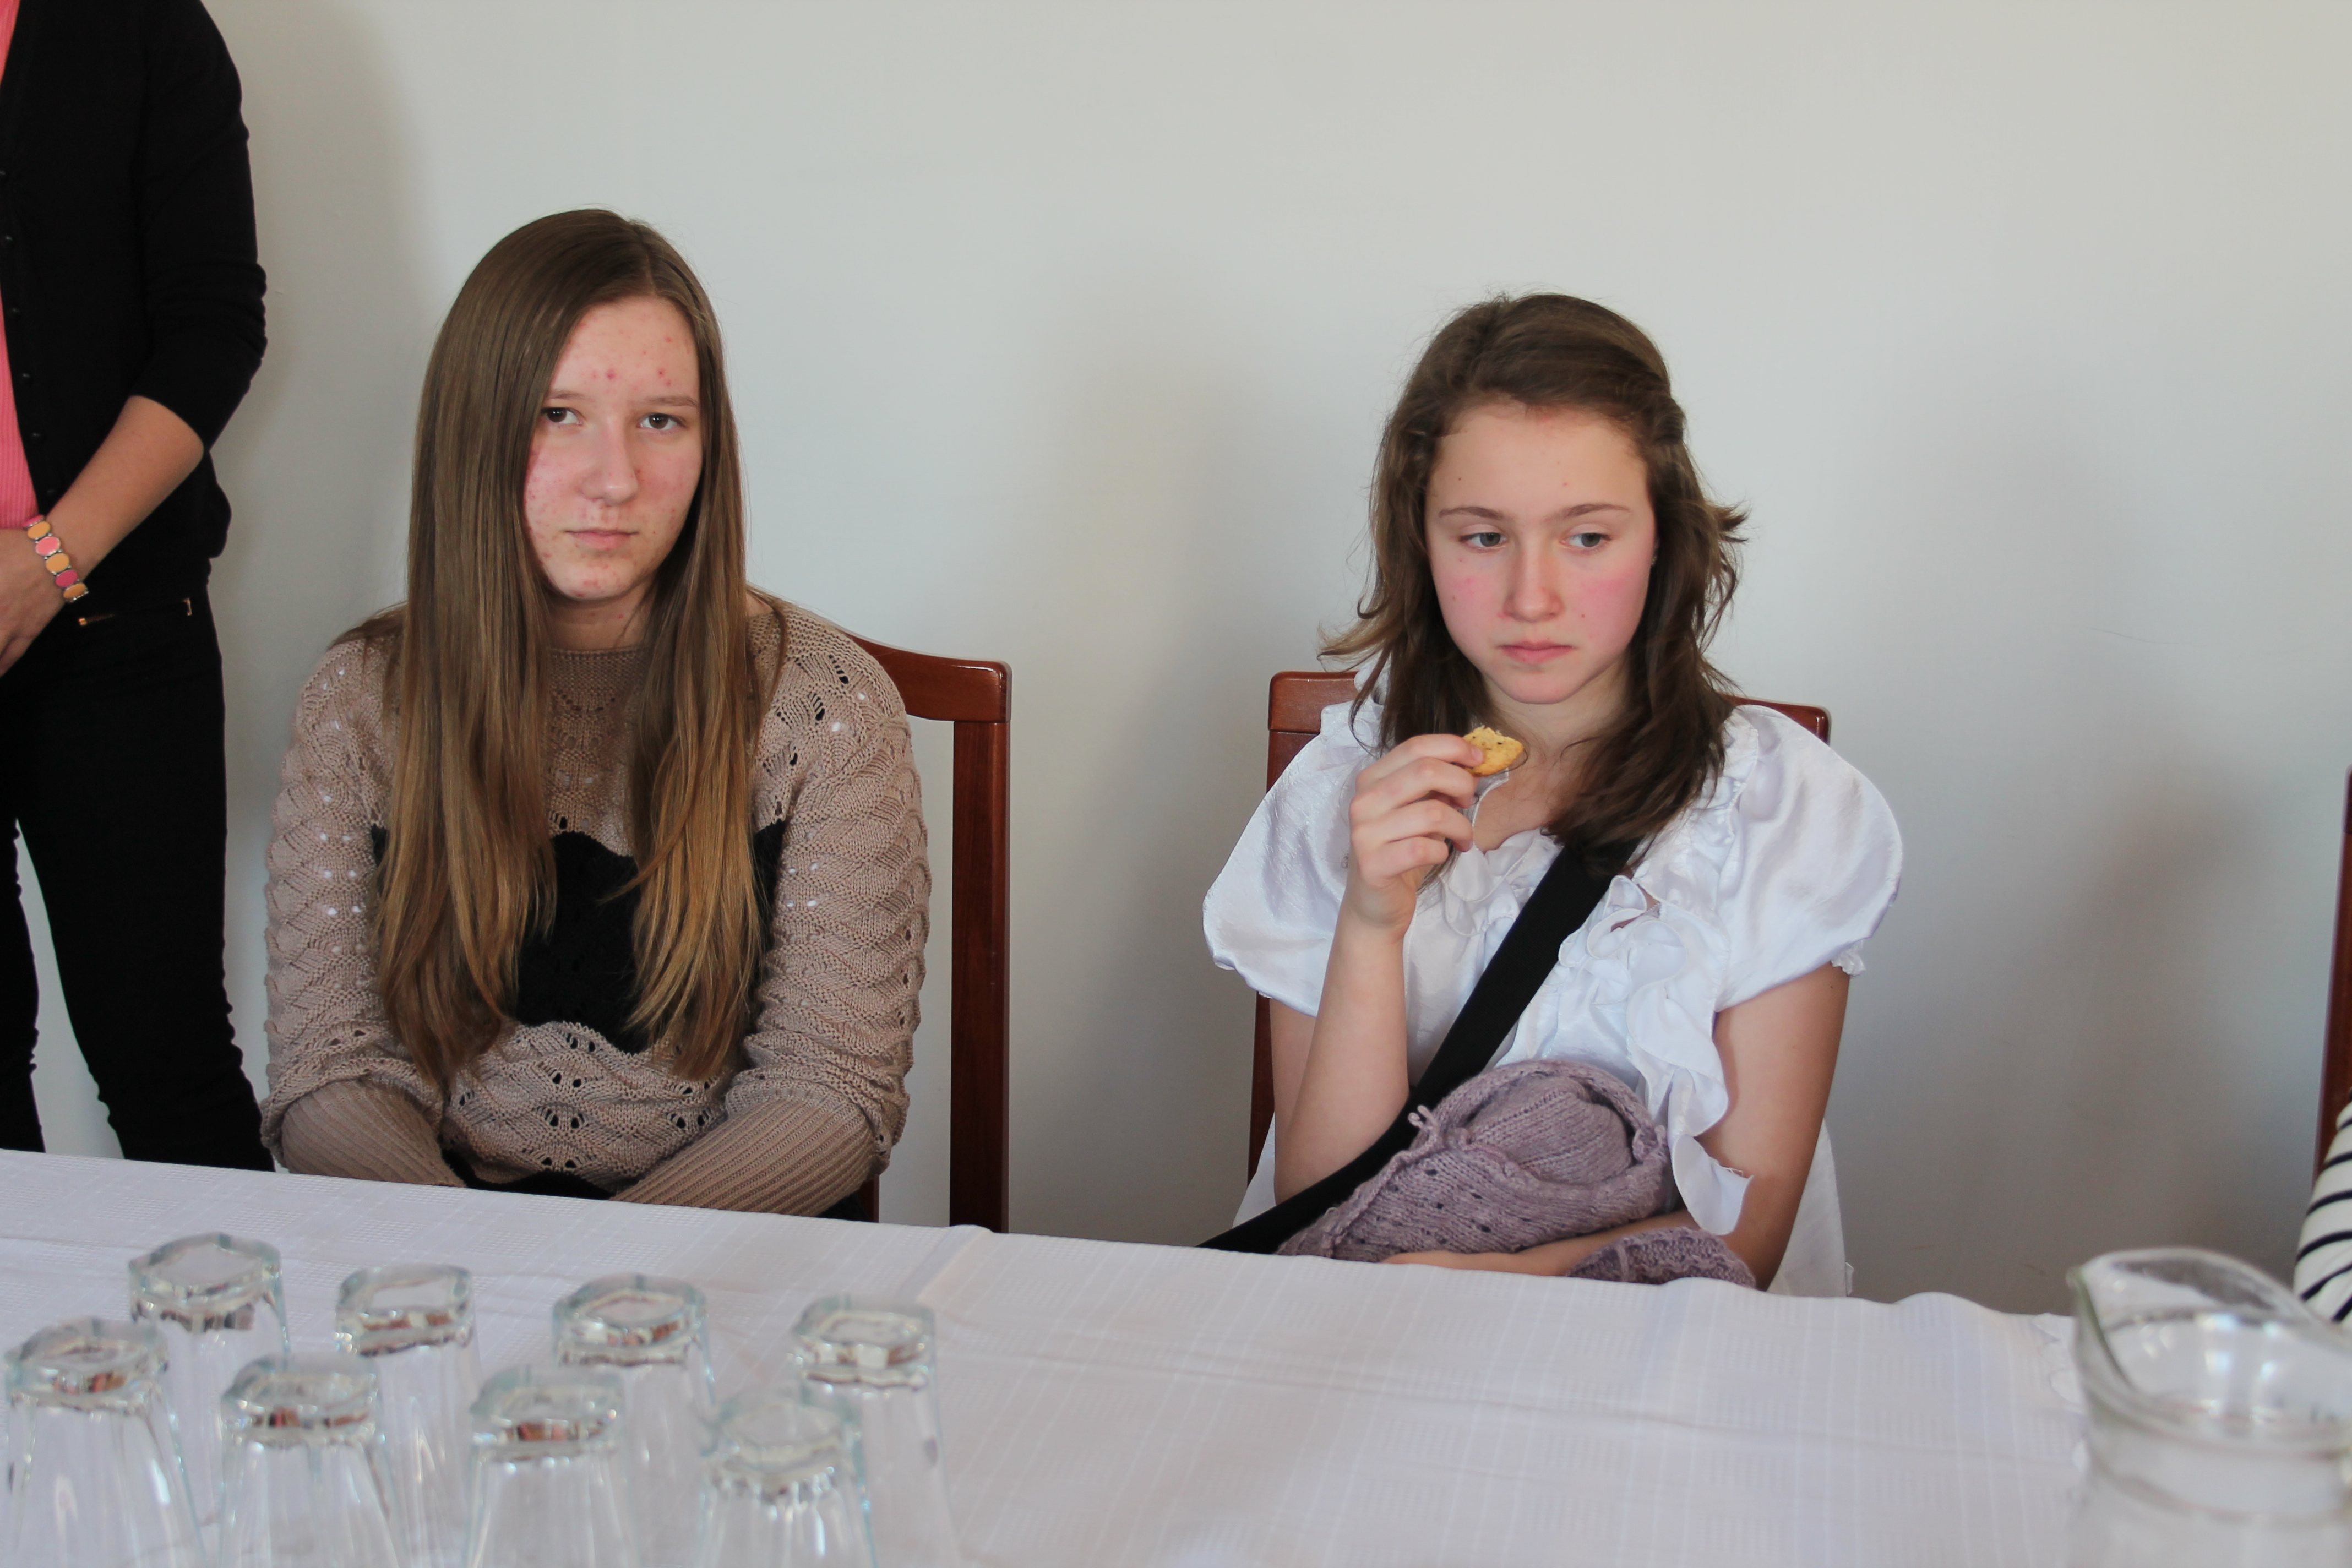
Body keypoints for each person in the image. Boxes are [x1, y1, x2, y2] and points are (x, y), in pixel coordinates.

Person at [1204, 295, 1901, 1292]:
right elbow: (1320, 1209)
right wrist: (1369, 922)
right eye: (1484, 537)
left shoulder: (1782, 810)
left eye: (1587, 538)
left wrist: (1475, 1284)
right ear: (1421, 541)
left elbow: (1744, 1235)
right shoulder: (1340, 790)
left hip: (1664, 1341)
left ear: (1662, 538)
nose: (1533, 599)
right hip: (1370, 1317)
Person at [260, 211, 927, 1213]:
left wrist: (603, 1276)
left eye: (661, 421)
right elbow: (332, 1063)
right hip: (436, 1251)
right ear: (473, 431)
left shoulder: (827, 708)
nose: (614, 481)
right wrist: (481, 1260)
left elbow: (828, 1086)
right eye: (557, 414)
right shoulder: (360, 698)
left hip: (718, 1256)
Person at [0, 0, 271, 1167]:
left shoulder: (142, 23)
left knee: (168, 1067)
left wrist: (50, 559)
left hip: (119, 620)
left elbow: (214, 324)